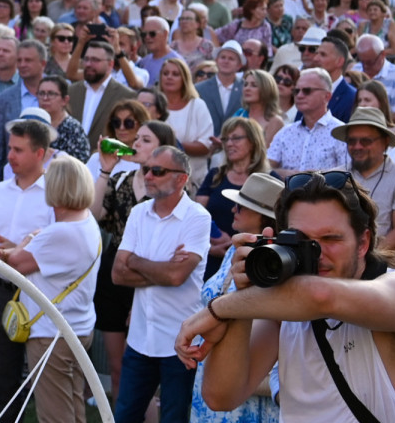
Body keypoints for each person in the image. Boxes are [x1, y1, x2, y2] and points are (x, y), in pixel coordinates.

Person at [176, 170, 395, 421]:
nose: (317, 252)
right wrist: (247, 290)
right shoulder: (281, 306)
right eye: (302, 239)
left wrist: (220, 309)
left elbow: (319, 296)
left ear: (363, 242)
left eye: (330, 239)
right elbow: (220, 396)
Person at [0, 156, 102, 423]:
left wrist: (28, 239)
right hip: (77, 329)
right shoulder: (87, 222)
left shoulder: (58, 233)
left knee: (55, 414)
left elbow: (16, 263)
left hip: (52, 336)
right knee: (74, 407)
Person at [111, 145, 211, 423]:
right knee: (124, 417)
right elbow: (118, 274)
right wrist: (165, 266)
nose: (148, 176)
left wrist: (138, 261)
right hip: (140, 339)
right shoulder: (139, 212)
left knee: (174, 419)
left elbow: (176, 277)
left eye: (158, 171)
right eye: (146, 170)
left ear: (181, 179)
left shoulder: (198, 217)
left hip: (180, 342)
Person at [0, 118, 57, 423]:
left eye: (18, 150)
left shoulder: (55, 197)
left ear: (40, 153)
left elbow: (56, 245)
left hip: (40, 294)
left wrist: (15, 250)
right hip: (0, 291)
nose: (10, 155)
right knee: (4, 372)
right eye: (9, 148)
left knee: (46, 375)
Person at [90, 119, 176, 404]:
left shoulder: (170, 188)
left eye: (145, 140)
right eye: (136, 139)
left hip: (148, 275)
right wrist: (105, 168)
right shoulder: (121, 180)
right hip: (115, 272)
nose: (135, 143)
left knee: (144, 372)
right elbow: (93, 214)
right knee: (119, 367)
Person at [191, 172, 285, 423]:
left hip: (246, 381)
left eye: (242, 206)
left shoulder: (273, 263)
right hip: (211, 371)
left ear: (265, 217)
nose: (233, 209)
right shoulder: (235, 249)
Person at [332, 107, 395, 252]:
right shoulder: (334, 176)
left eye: (366, 141)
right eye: (351, 141)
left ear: (385, 142)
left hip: (379, 265)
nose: (357, 146)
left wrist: (366, 260)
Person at [198, 117, 274, 278]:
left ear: (253, 141)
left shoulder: (269, 181)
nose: (229, 143)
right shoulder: (215, 176)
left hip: (251, 258)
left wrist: (236, 242)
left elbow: (276, 223)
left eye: (236, 138)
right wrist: (211, 246)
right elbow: (197, 217)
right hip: (212, 256)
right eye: (225, 139)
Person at [266, 68, 349, 178]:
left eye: (307, 91)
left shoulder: (341, 133)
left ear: (327, 96)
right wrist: (284, 174)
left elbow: (349, 173)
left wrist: (315, 176)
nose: (299, 95)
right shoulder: (286, 132)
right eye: (296, 91)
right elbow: (265, 168)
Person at [0, 40, 50, 183]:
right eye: (19, 60)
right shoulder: (4, 99)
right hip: (13, 178)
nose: (22, 65)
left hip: (52, 180)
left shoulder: (59, 91)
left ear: (43, 64)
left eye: (28, 60)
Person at [68, 40, 137, 151]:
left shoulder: (125, 96)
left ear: (111, 64)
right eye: (86, 59)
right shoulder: (71, 91)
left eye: (95, 60)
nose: (89, 64)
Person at [159, 57, 217, 187]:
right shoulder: (154, 106)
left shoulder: (197, 105)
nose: (169, 77)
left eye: (175, 74)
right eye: (165, 73)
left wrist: (172, 144)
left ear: (184, 78)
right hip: (159, 177)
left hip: (193, 180)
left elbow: (205, 145)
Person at [36, 75, 90, 163]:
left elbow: (79, 165)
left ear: (65, 100)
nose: (45, 98)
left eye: (51, 94)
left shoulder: (73, 129)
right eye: (41, 93)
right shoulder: (34, 124)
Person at [196, 41, 244, 137]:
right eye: (223, 57)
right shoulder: (199, 89)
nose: (226, 61)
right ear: (216, 60)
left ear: (239, 65)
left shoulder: (246, 88)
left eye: (231, 59)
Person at [352, 33, 395, 111]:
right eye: (362, 62)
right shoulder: (355, 70)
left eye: (370, 62)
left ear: (382, 54)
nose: (365, 66)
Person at [234, 69, 287, 147]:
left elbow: (264, 152)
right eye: (245, 84)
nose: (247, 89)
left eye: (254, 85)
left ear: (267, 89)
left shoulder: (275, 121)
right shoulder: (240, 114)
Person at [316, 35, 355, 122]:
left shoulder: (352, 98)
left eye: (323, 55)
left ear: (340, 61)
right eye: (317, 53)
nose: (316, 58)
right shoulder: (306, 91)